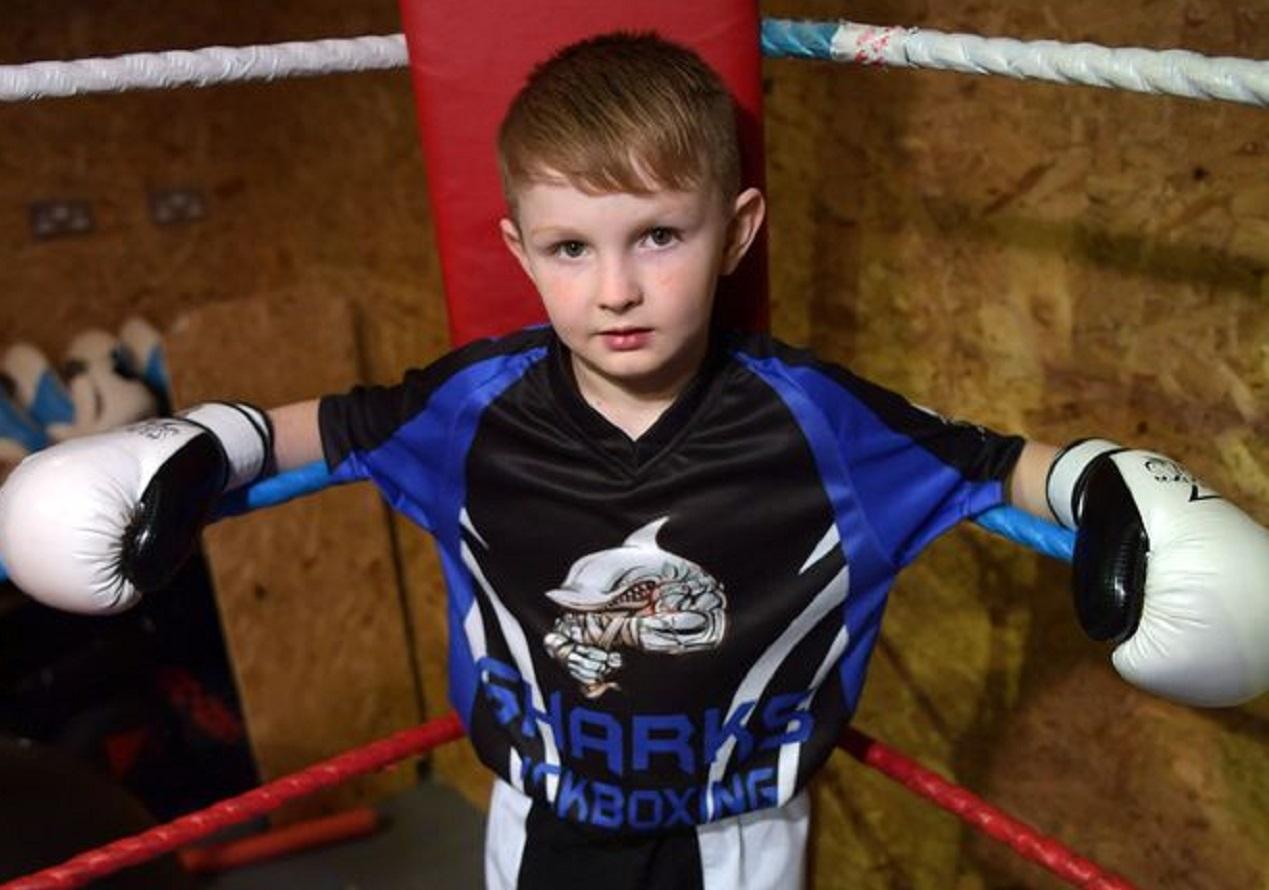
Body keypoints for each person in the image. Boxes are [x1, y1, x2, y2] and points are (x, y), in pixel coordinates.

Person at [1, 32, 1266, 890]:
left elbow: (998, 465)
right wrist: (199, 443)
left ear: (737, 230)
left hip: (739, 830)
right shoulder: (471, 407)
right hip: (534, 814)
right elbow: (324, 427)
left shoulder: (820, 421)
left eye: (658, 234)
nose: (614, 288)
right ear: (519, 246)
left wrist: (1110, 485)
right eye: (571, 247)